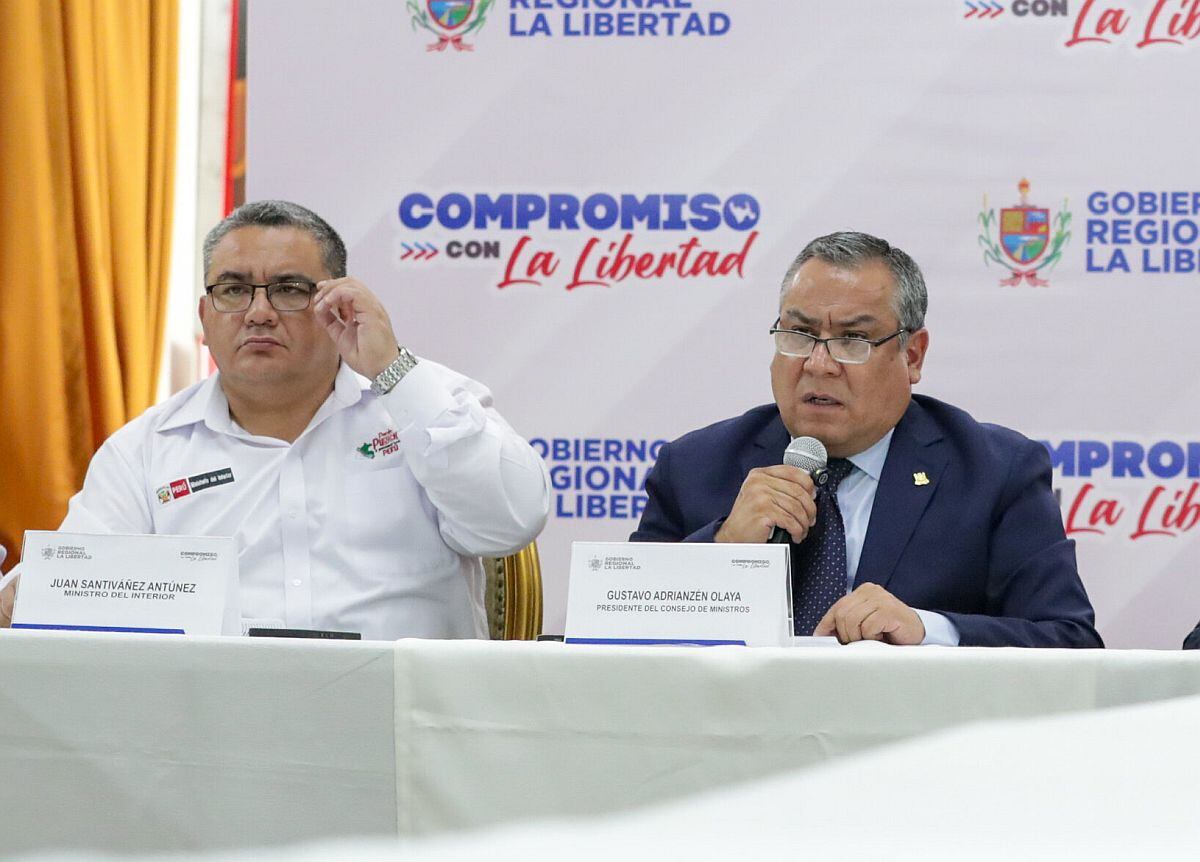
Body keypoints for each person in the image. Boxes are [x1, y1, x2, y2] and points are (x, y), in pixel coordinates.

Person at [1, 200, 549, 639]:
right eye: (234, 289)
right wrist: (19, 595)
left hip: (402, 728)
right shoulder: (147, 449)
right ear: (205, 314)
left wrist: (391, 369)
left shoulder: (422, 397)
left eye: (288, 289)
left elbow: (508, 521)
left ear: (340, 303)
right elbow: (72, 584)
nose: (258, 312)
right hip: (217, 737)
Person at [631, 231, 1101, 648]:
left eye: (853, 340)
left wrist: (927, 630)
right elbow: (615, 632)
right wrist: (721, 551)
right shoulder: (694, 467)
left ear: (912, 356)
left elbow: (1070, 641)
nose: (818, 364)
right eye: (799, 334)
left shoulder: (995, 472)